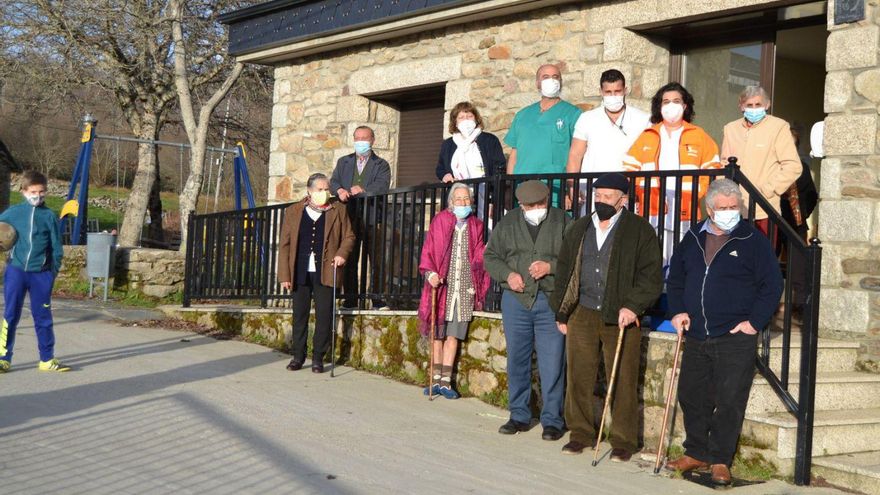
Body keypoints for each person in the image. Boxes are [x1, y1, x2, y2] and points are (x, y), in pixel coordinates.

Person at [665, 178, 783, 486]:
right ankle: (696, 452)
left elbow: (772, 285)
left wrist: (754, 323)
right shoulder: (691, 237)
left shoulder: (751, 240)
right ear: (709, 209)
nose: (730, 212)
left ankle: (720, 459)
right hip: (696, 333)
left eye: (735, 207)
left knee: (730, 400)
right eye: (724, 208)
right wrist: (676, 311)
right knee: (691, 395)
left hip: (734, 336)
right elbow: (676, 279)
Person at [550, 173, 662, 461]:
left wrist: (633, 306)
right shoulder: (579, 228)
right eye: (597, 196)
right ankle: (580, 433)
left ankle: (624, 441)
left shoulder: (640, 231)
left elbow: (651, 277)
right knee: (579, 376)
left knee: (624, 379)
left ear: (623, 200)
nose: (601, 201)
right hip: (582, 312)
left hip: (621, 315)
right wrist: (562, 311)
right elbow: (565, 272)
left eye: (607, 197)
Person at [484, 180, 571, 440]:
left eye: (539, 204)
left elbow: (575, 256)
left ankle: (553, 420)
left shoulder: (564, 222)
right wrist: (508, 275)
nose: (535, 209)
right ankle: (519, 415)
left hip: (550, 300)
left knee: (553, 362)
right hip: (516, 301)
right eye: (529, 206)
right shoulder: (508, 223)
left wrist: (550, 266)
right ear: (520, 205)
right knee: (517, 360)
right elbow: (491, 257)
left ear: (547, 201)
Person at [624, 82, 721, 267]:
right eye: (666, 101)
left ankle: (674, 295)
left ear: (685, 106)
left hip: (685, 207)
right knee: (650, 260)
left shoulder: (699, 135)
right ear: (659, 106)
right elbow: (629, 167)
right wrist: (640, 194)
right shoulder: (648, 135)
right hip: (650, 207)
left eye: (676, 101)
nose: (671, 105)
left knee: (680, 260)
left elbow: (712, 169)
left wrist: (697, 192)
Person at [417, 183, 490, 399]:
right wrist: (430, 273)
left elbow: (478, 256)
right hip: (441, 287)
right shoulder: (440, 221)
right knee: (437, 334)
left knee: (453, 335)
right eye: (459, 199)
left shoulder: (476, 225)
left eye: (466, 199)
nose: (463, 203)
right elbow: (429, 250)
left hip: (463, 287)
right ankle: (435, 379)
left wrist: (483, 259)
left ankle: (446, 382)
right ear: (451, 202)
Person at [278, 173, 355, 373]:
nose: (324, 193)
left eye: (326, 189)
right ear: (309, 191)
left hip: (326, 270)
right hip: (300, 270)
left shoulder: (338, 210)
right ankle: (298, 355)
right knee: (300, 315)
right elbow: (285, 245)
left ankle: (318, 357)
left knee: (324, 315)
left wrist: (341, 254)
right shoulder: (293, 211)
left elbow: (349, 236)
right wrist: (285, 275)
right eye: (320, 189)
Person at [0, 170, 67, 373]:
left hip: (41, 274)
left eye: (42, 192)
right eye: (33, 191)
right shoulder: (13, 212)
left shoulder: (49, 216)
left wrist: (51, 273)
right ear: (23, 191)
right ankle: (3, 358)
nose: (37, 196)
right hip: (16, 272)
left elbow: (57, 248)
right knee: (10, 315)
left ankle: (46, 359)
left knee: (43, 317)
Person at [720, 86, 801, 236]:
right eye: (749, 105)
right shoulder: (730, 128)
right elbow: (724, 164)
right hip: (734, 207)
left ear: (767, 105)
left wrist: (769, 189)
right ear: (741, 106)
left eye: (758, 104)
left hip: (765, 208)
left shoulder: (778, 127)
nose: (754, 108)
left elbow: (793, 165)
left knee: (763, 255)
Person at [565, 70, 650, 211]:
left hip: (627, 192)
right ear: (601, 92)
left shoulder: (643, 119)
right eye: (608, 92)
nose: (613, 96)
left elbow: (648, 157)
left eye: (617, 91)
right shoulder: (587, 118)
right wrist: (572, 186)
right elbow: (575, 155)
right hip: (592, 192)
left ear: (625, 91)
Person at [329, 125, 391, 310]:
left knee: (376, 260)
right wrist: (339, 190)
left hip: (373, 218)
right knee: (349, 258)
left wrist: (364, 190)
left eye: (365, 138)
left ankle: (377, 299)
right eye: (357, 138)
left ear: (372, 140)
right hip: (349, 217)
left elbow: (382, 186)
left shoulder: (381, 165)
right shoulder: (343, 162)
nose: (361, 141)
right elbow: (334, 181)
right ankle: (350, 299)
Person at [505, 64, 581, 205]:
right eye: (545, 77)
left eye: (555, 77)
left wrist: (571, 188)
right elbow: (514, 155)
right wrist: (510, 186)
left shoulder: (572, 114)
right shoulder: (522, 115)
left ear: (561, 82)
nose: (551, 80)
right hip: (523, 187)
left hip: (555, 188)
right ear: (537, 83)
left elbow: (577, 153)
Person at [436, 102, 506, 183]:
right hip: (457, 192)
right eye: (461, 117)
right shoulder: (448, 144)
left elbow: (499, 167)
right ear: (455, 122)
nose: (466, 120)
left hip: (485, 192)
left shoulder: (489, 140)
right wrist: (445, 176)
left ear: (476, 120)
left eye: (469, 116)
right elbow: (440, 168)